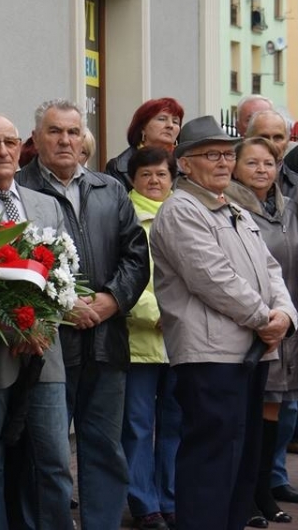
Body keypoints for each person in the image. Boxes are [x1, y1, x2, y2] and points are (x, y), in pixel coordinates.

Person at [151, 116, 297, 530]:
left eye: (227, 154)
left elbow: (271, 269)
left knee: (243, 462)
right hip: (210, 355)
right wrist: (264, 319)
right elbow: (212, 277)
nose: (223, 162)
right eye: (210, 154)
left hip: (251, 351)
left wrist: (284, 316)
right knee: (211, 461)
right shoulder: (181, 210)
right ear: (184, 164)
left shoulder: (234, 207)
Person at [16, 98, 150, 530]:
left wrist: (112, 300)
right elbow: (13, 265)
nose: (65, 140)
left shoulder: (109, 189)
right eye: (54, 131)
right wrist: (62, 305)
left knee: (106, 449)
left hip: (107, 342)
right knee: (49, 456)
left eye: (73, 132)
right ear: (36, 138)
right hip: (49, 347)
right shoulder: (18, 191)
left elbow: (136, 256)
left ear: (83, 139)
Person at [0, 113, 72, 530]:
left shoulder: (46, 204)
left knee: (55, 460)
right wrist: (14, 326)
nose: (2, 151)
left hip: (45, 350)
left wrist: (41, 325)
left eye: (10, 142)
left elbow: (66, 275)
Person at [227, 137, 298, 525]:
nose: (262, 170)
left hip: (286, 326)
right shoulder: (229, 210)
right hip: (250, 328)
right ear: (235, 167)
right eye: (252, 162)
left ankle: (262, 492)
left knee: (272, 418)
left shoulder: (291, 208)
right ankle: (244, 497)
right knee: (244, 419)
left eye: (269, 163)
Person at [120, 147, 181, 530]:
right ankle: (145, 504)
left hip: (181, 341)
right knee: (138, 427)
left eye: (161, 174)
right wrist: (157, 313)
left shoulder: (184, 215)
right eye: (146, 174)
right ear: (133, 179)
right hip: (139, 340)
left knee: (175, 424)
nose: (154, 181)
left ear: (173, 178)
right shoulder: (124, 215)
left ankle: (170, 498)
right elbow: (123, 272)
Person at [105, 97, 184, 191]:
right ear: (142, 127)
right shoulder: (119, 167)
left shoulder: (184, 164)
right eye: (162, 119)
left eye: (175, 122)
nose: (170, 125)